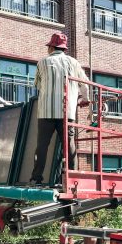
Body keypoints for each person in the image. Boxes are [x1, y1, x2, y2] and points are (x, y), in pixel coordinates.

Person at [29, 33, 90, 186]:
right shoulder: (74, 62)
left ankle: (37, 178)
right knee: (69, 145)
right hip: (67, 111)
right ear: (63, 48)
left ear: (51, 47)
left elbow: (37, 85)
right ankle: (72, 177)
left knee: (42, 146)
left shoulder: (42, 62)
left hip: (46, 111)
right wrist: (85, 99)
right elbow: (85, 84)